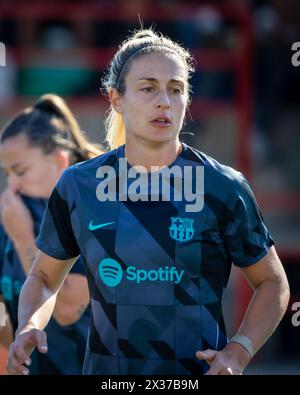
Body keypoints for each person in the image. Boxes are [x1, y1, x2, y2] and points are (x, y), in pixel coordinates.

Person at [7, 29, 289, 375]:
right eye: (148, 88)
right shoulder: (79, 185)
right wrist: (29, 323)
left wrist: (239, 351)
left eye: (176, 89)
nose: (164, 102)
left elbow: (273, 282)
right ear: (116, 100)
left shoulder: (223, 186)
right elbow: (45, 277)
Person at [0, 94, 102, 374]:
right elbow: (7, 332)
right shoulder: (12, 218)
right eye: (7, 173)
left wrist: (23, 239)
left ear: (59, 162)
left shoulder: (88, 216)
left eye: (20, 171)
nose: (13, 185)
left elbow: (68, 310)